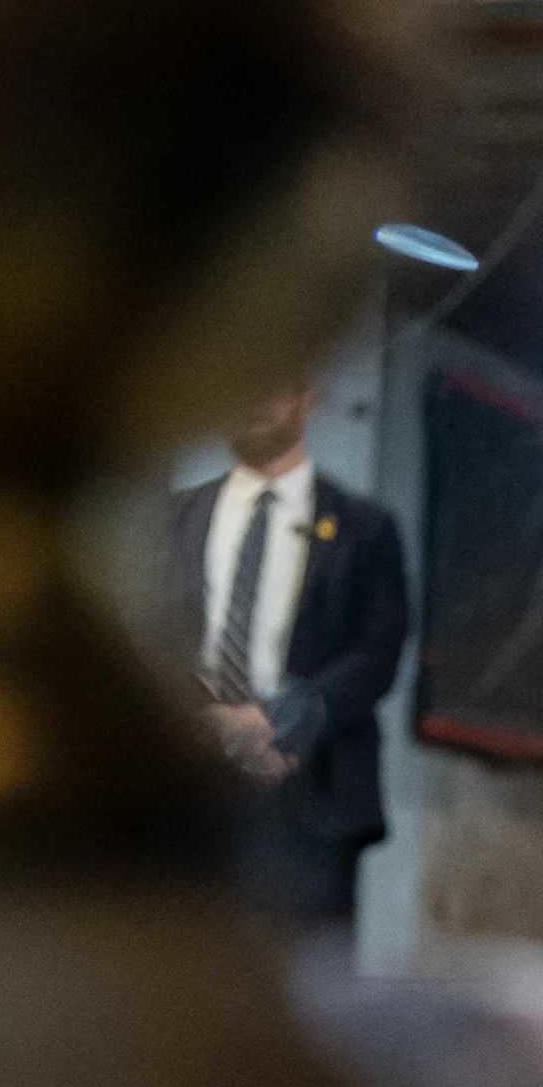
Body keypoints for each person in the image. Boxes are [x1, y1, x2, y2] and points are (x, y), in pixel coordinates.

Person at [154, 382, 407, 926]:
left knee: (312, 991)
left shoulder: (365, 528)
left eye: (273, 382)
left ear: (308, 397)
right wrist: (212, 725)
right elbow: (151, 633)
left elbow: (377, 652)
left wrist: (275, 724)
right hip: (188, 795)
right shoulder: (171, 519)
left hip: (315, 793)